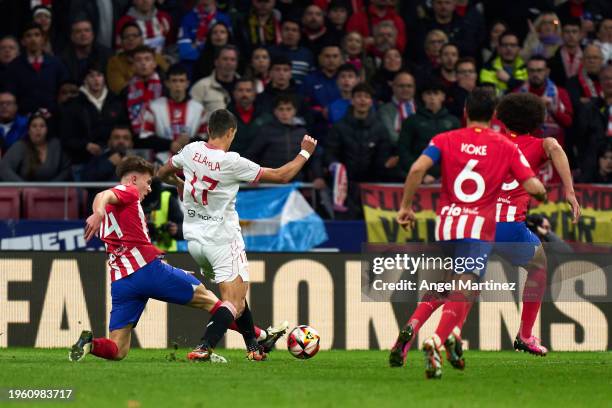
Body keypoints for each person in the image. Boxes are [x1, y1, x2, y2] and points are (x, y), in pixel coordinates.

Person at [389, 88, 547, 379]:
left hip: (448, 224)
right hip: (478, 228)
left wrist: (405, 207)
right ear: (494, 114)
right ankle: (437, 339)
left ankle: (413, 327)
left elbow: (416, 169)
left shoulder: (445, 139)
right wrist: (541, 192)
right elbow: (534, 186)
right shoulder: (504, 145)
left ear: (465, 111)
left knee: (445, 284)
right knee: (466, 287)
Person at [70, 155, 287, 363]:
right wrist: (97, 212)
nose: (149, 188)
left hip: (122, 282)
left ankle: (90, 344)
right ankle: (259, 336)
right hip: (148, 272)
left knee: (118, 350)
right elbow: (104, 195)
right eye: (147, 182)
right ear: (134, 179)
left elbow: (113, 213)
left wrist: (100, 213)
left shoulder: (115, 208)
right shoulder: (127, 191)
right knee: (213, 301)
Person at [156, 109, 317, 361]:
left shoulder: (190, 151)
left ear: (209, 130)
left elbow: (161, 173)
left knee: (237, 291)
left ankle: (253, 347)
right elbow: (282, 175)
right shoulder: (232, 162)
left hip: (195, 242)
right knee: (235, 302)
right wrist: (305, 151)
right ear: (231, 132)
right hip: (222, 239)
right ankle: (204, 347)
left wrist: (181, 185)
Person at [443, 92, 581, 370]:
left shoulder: (491, 142)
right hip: (509, 227)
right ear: (537, 121)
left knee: (459, 282)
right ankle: (525, 335)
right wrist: (569, 191)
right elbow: (555, 147)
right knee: (539, 265)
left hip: (476, 223)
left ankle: (439, 333)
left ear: (501, 117)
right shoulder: (539, 144)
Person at [325, 83, 393, 218]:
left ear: (371, 101)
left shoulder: (380, 129)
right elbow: (330, 153)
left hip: (372, 188)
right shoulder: (339, 127)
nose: (362, 100)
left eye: (366, 97)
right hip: (344, 189)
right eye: (358, 96)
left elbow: (383, 156)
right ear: (352, 100)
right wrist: (336, 168)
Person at [60, 63, 126, 175]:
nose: (96, 80)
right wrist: (85, 145)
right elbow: (66, 138)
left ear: (104, 78)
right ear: (85, 80)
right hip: (83, 162)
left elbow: (124, 129)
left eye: (99, 75)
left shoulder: (115, 101)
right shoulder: (73, 105)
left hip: (114, 160)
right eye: (91, 76)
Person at [247, 94, 324, 185]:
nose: (284, 113)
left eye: (288, 109)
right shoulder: (265, 131)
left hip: (296, 184)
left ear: (294, 111)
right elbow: (252, 155)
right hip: (270, 183)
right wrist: (251, 177)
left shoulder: (302, 133)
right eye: (281, 109)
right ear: (275, 111)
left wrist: (318, 177)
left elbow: (313, 158)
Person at [140, 64, 207, 162]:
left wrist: (189, 142)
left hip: (191, 165)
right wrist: (169, 144)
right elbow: (145, 139)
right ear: (167, 83)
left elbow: (205, 139)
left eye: (181, 80)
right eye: (174, 80)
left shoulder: (198, 109)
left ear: (187, 83)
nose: (178, 84)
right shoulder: (154, 107)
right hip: (162, 163)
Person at [398, 81, 460, 181]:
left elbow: (458, 152)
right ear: (423, 97)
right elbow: (403, 151)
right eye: (428, 94)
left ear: (443, 96)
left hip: (448, 177)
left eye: (436, 93)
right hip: (416, 177)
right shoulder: (411, 121)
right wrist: (421, 174)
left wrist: (443, 174)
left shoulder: (454, 122)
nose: (432, 97)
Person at [6, 22, 67, 115]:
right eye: (28, 36)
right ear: (23, 41)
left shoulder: (56, 64)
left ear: (43, 39)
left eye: (37, 35)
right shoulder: (14, 67)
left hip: (52, 118)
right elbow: (10, 96)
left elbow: (64, 91)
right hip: (23, 120)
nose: (33, 39)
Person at [515, 56, 573, 153]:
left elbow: (568, 122)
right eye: (532, 71)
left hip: (554, 153)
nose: (535, 74)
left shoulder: (560, 93)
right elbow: (511, 125)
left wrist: (552, 108)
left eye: (539, 70)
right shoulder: (517, 95)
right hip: (526, 151)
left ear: (547, 71)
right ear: (527, 72)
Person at [0, 110, 71, 182]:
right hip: (26, 191)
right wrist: (23, 186)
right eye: (34, 126)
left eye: (42, 126)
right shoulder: (20, 146)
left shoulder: (56, 145)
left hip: (53, 191)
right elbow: (4, 168)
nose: (38, 129)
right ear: (28, 130)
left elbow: (66, 169)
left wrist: (52, 186)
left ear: (47, 129)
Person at [106, 22, 169, 94]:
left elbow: (169, 79)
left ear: (142, 39)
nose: (131, 39)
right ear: (121, 41)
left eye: (135, 36)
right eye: (126, 37)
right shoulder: (115, 62)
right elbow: (118, 89)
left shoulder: (155, 57)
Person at [178, 0, 232, 70]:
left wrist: (197, 46)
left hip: (219, 66)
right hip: (193, 67)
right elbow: (185, 53)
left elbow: (228, 48)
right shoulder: (187, 19)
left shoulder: (224, 19)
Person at [123, 45, 163, 135]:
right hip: (136, 138)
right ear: (133, 65)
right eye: (138, 60)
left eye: (147, 59)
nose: (143, 63)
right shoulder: (126, 91)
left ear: (154, 64)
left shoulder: (165, 87)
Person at [190, 45, 239, 115]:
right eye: (225, 59)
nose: (229, 63)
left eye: (232, 60)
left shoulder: (245, 87)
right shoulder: (201, 86)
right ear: (216, 62)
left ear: (237, 63)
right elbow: (191, 115)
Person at [60, 18, 113, 84]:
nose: (83, 34)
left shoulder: (106, 55)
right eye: (78, 31)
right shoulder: (62, 59)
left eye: (87, 30)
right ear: (72, 37)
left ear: (93, 34)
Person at [269, 18, 314, 86]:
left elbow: (311, 78)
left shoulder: (307, 54)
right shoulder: (271, 52)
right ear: (281, 32)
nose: (290, 33)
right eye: (286, 29)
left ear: (299, 35)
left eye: (294, 30)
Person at [227, 78, 267, 156]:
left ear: (254, 94)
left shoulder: (265, 117)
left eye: (248, 90)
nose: (244, 94)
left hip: (259, 164)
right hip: (232, 164)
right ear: (234, 93)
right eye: (240, 90)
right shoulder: (224, 117)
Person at [377, 71, 417, 147]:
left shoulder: (421, 108)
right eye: (401, 86)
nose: (405, 89)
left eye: (409, 86)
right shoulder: (384, 110)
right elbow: (391, 136)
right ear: (393, 87)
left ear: (414, 88)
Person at [548, 18, 583, 87]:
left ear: (580, 35)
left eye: (574, 32)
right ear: (562, 34)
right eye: (567, 32)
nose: (571, 35)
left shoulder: (587, 54)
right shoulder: (553, 57)